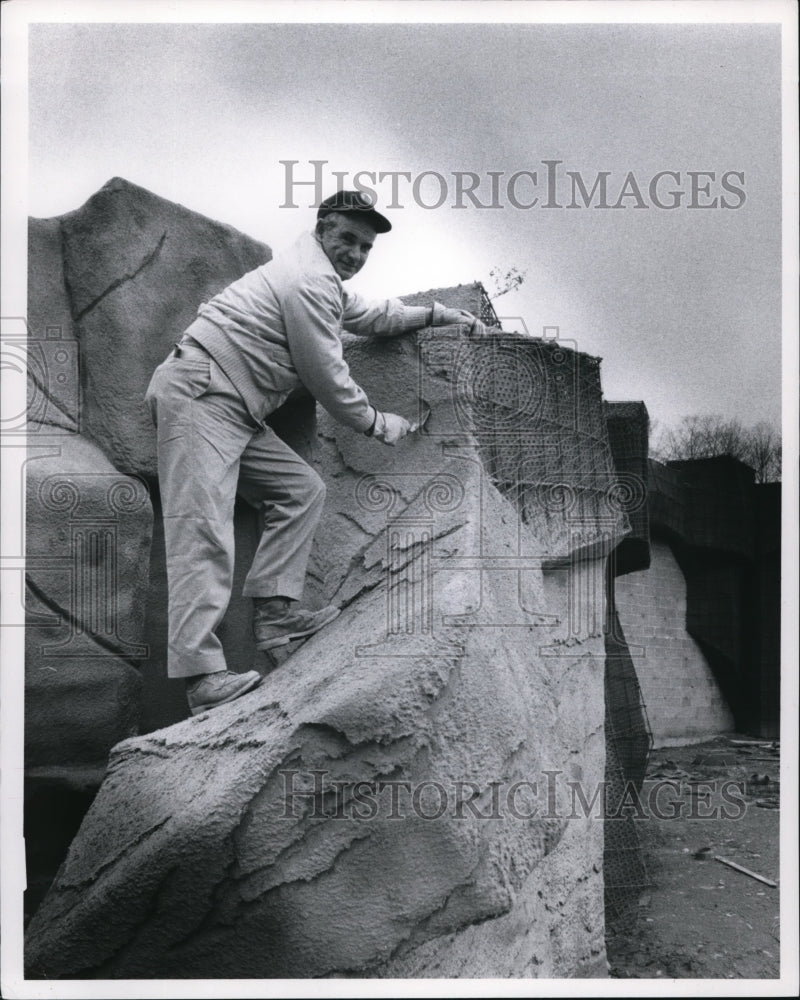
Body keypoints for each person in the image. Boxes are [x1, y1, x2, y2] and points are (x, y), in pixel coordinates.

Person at [145, 190, 485, 716]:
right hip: (201, 394)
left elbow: (372, 314)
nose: (355, 253)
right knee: (202, 532)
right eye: (347, 238)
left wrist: (436, 314)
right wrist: (380, 424)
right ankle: (202, 678)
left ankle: (276, 617)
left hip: (235, 406)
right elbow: (326, 375)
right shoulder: (308, 279)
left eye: (365, 247)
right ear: (324, 228)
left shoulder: (320, 277)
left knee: (301, 491)